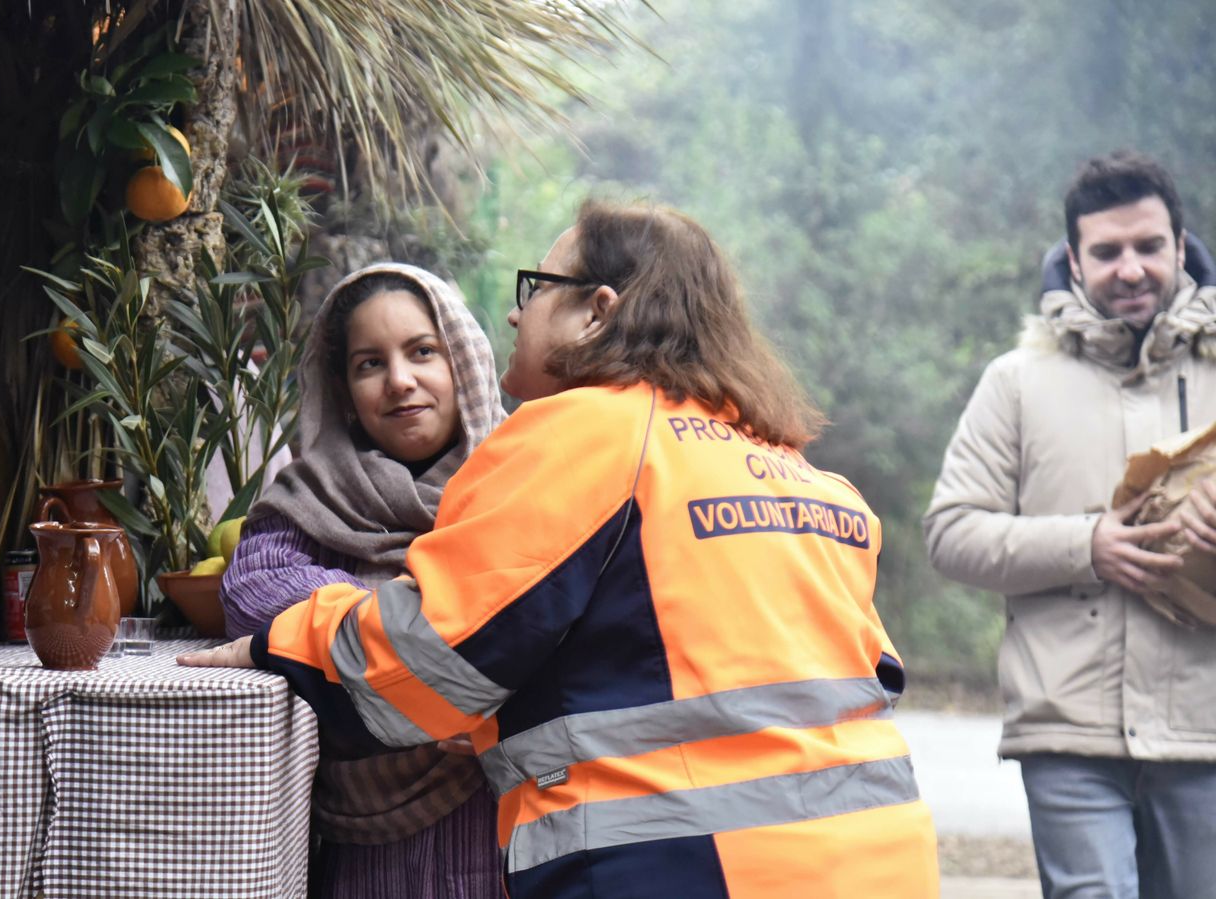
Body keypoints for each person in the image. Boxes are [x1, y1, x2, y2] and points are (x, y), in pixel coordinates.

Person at [186, 200, 939, 897]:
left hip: (691, 867)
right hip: (880, 861)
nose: (515, 314)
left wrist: (284, 640)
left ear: (597, 311)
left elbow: (425, 655)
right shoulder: (800, 471)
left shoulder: (581, 435)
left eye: (537, 287)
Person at [924, 150, 1216, 899]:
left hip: (1205, 731)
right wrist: (1087, 546)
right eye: (1108, 251)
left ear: (1181, 247)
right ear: (1075, 260)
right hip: (1069, 730)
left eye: (1149, 246)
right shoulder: (1016, 382)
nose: (1131, 268)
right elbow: (951, 532)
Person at [220, 263, 507, 898]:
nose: (399, 381)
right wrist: (418, 629)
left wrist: (363, 641)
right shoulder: (317, 489)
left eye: (422, 352)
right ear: (344, 390)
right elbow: (254, 589)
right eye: (369, 364)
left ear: (463, 362)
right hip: (365, 844)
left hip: (498, 825)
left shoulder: (519, 485)